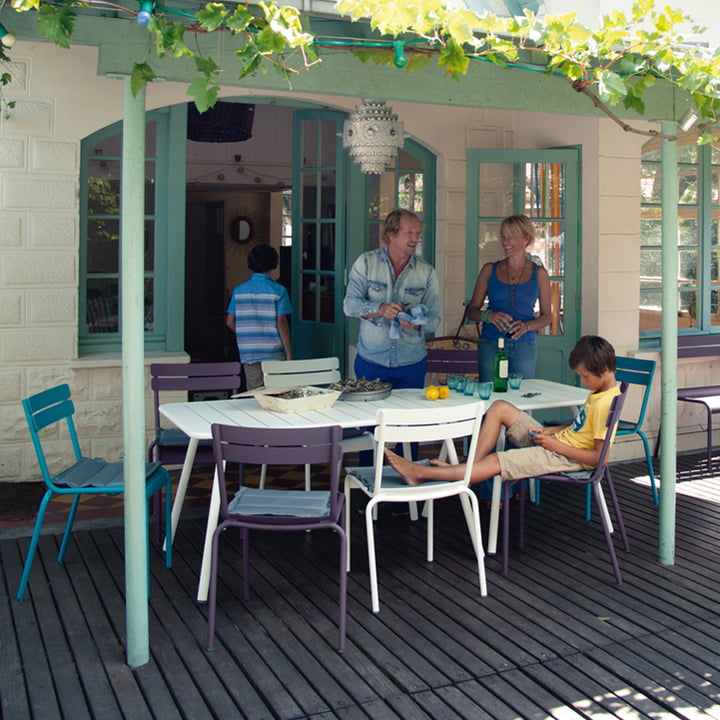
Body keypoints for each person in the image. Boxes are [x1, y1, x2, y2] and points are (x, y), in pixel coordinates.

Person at [384, 335, 619, 488]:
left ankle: (421, 473)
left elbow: (600, 458)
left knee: (498, 459)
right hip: (556, 443)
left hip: (563, 456)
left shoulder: (604, 404)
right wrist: (550, 432)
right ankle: (466, 468)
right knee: (499, 408)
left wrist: (556, 446)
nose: (583, 380)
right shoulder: (599, 392)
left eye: (585, 376)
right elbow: (579, 425)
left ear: (605, 369)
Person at [343, 208, 441, 388]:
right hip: (372, 362)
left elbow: (435, 319)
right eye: (409, 233)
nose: (415, 238)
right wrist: (379, 309)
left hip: (411, 364)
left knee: (409, 417)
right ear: (391, 234)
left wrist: (417, 323)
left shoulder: (427, 272)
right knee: (371, 416)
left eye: (418, 233)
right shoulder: (366, 263)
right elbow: (349, 305)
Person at [467, 214, 552, 382]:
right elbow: (472, 311)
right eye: (503, 237)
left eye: (511, 237)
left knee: (521, 398)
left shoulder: (539, 273)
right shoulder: (489, 269)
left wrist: (527, 326)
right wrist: (488, 316)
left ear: (525, 239)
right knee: (489, 396)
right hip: (490, 343)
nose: (505, 242)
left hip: (524, 346)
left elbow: (547, 316)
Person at [226, 244, 292, 391]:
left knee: (255, 392)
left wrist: (245, 334)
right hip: (273, 351)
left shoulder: (239, 291)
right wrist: (289, 353)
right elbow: (281, 322)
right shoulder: (279, 290)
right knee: (276, 391)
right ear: (274, 264)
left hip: (249, 352)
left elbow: (229, 322)